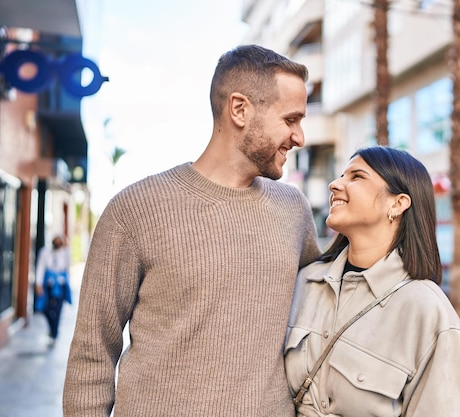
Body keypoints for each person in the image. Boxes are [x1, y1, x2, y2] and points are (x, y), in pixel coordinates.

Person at [63, 44, 321, 417]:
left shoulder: (294, 211)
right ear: (239, 109)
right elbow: (92, 354)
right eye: (290, 119)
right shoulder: (136, 210)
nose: (299, 137)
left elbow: (329, 303)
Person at [284, 146, 460, 417]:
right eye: (341, 176)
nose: (335, 185)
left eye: (356, 177)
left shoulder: (427, 311)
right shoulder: (306, 282)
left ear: (397, 203)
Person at [35, 234, 72, 346]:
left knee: (57, 310)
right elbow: (40, 267)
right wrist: (38, 284)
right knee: (45, 308)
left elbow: (67, 269)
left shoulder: (65, 253)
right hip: (49, 285)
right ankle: (52, 328)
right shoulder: (45, 252)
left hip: (60, 285)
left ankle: (54, 333)